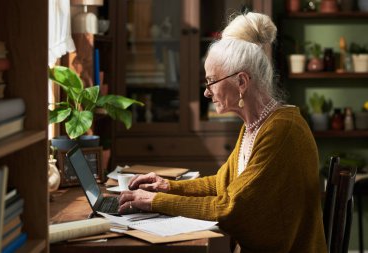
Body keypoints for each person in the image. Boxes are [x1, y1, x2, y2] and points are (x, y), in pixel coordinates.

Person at [118, 12, 327, 253]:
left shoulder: (281, 130)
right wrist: (167, 186)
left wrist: (156, 201)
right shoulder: (256, 125)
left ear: (241, 82)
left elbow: (231, 208)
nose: (207, 92)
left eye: (211, 81)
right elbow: (222, 184)